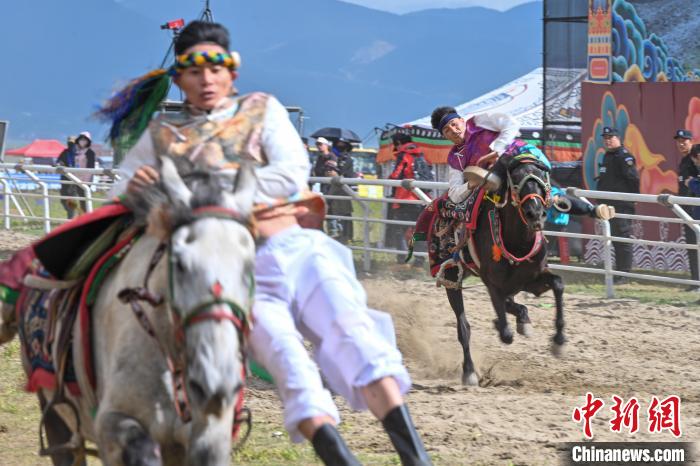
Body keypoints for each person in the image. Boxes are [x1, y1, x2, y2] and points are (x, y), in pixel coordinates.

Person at [107, 20, 429, 466]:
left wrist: (198, 192)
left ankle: (417, 459)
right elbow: (120, 189)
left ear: (231, 72)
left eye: (215, 68)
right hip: (233, 275)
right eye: (194, 71)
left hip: (295, 249)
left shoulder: (262, 110)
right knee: (288, 366)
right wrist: (140, 190)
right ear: (178, 78)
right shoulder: (161, 135)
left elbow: (291, 172)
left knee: (356, 338)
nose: (206, 80)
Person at [595, 126, 640, 283]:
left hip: (621, 204)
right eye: (605, 138)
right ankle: (619, 272)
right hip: (608, 205)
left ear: (618, 139)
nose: (607, 140)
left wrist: (633, 198)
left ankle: (624, 274)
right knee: (614, 239)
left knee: (622, 238)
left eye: (610, 137)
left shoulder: (624, 156)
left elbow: (633, 179)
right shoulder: (608, 156)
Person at [387, 133, 429, 265]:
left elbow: (396, 175)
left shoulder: (403, 155)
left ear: (399, 143)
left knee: (400, 229)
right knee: (419, 230)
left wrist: (389, 179)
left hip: (405, 198)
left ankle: (402, 260)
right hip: (421, 197)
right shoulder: (420, 154)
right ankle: (419, 261)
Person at [675, 129, 698, 289]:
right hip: (686, 209)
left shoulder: (695, 160)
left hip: (696, 209)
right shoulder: (684, 161)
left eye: (684, 141)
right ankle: (695, 280)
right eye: (679, 141)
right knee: (692, 246)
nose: (681, 144)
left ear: (691, 141)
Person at [55, 132, 95, 218]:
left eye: (73, 143)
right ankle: (73, 215)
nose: (71, 145)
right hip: (66, 180)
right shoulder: (65, 152)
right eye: (69, 143)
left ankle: (78, 218)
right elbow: (59, 162)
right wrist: (59, 164)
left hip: (79, 181)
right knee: (64, 200)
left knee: (82, 201)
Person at [326, 138, 356, 244]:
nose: (340, 145)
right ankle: (333, 237)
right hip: (330, 190)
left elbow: (349, 177)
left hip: (342, 191)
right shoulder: (331, 157)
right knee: (331, 214)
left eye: (342, 143)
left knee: (344, 215)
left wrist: (337, 174)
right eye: (338, 143)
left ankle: (346, 237)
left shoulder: (348, 160)